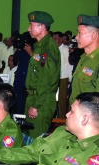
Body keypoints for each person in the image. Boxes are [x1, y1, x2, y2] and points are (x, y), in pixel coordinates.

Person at [25, 11, 61, 139]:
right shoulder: (39, 46)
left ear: (42, 27)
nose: (28, 29)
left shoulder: (48, 48)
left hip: (41, 102)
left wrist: (36, 105)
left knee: (36, 140)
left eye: (31, 25)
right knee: (28, 138)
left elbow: (46, 80)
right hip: (33, 97)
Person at [69, 14, 99, 105]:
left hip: (90, 116)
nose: (76, 37)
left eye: (80, 33)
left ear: (93, 35)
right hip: (78, 113)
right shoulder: (83, 58)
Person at [52, 31, 73, 118]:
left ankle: (62, 118)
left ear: (61, 39)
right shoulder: (52, 49)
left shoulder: (65, 49)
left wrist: (69, 79)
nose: (54, 40)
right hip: (54, 77)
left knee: (62, 100)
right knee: (53, 99)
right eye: (53, 39)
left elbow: (69, 65)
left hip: (63, 77)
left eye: (56, 39)